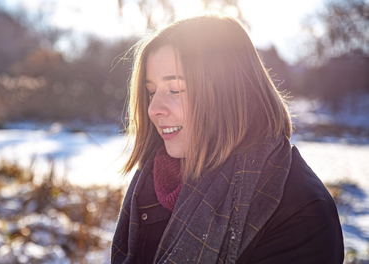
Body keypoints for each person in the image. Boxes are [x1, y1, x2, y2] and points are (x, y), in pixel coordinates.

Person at [111, 14, 344, 264]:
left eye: (175, 90)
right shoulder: (153, 184)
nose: (153, 109)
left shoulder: (302, 213)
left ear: (228, 92)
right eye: (151, 92)